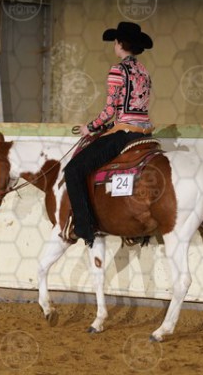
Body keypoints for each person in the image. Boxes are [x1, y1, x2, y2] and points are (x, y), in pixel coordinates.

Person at [64, 21, 154, 248]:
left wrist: (90, 127)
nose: (114, 45)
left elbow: (109, 110)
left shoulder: (117, 70)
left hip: (124, 135)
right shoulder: (144, 72)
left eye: (115, 41)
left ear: (120, 44)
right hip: (144, 134)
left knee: (73, 170)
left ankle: (83, 227)